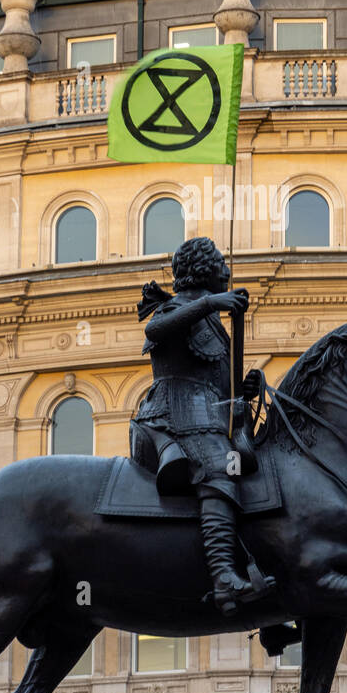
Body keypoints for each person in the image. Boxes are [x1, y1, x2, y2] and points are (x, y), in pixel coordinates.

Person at [135, 236, 273, 614]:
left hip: (205, 416)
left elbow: (217, 382)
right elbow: (155, 331)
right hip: (172, 417)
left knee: (258, 476)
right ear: (204, 270)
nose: (227, 272)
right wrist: (210, 302)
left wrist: (244, 388)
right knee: (220, 470)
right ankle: (223, 576)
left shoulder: (211, 321)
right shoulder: (174, 307)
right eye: (220, 266)